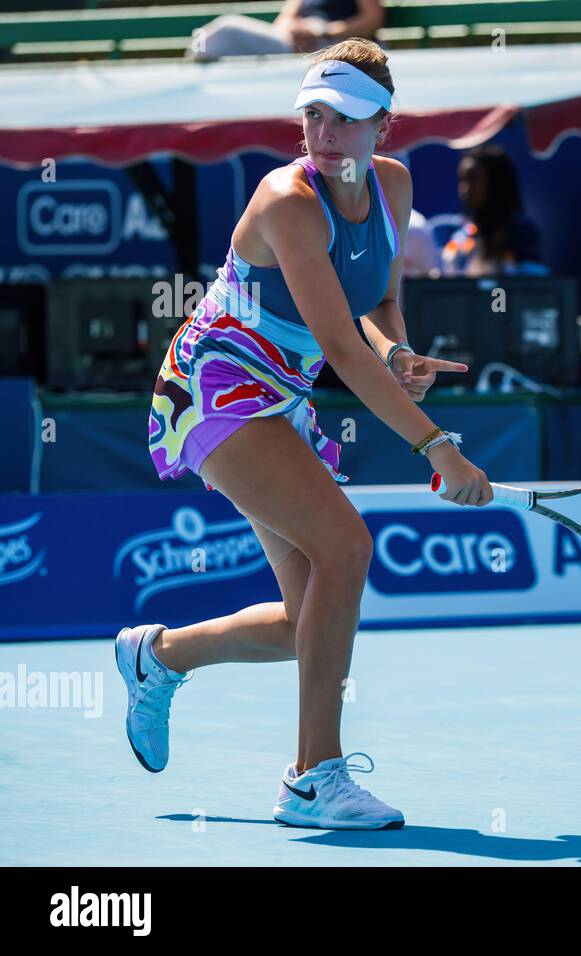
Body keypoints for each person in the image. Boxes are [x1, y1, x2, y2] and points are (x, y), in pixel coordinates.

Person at [127, 38, 492, 831]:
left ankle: (157, 658)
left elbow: (375, 303)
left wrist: (396, 350)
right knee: (346, 549)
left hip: (280, 395)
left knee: (308, 625)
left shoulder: (391, 187)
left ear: (383, 128)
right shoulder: (286, 200)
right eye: (313, 116)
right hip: (215, 386)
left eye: (345, 121)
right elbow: (335, 345)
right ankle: (311, 779)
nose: (325, 136)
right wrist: (437, 446)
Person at [435, 144, 548, 278]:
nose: (464, 189)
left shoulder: (522, 233)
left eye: (473, 179)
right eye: (462, 180)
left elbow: (537, 284)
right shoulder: (452, 231)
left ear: (495, 182)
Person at [188, 0, 385, 63]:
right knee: (219, 33)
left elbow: (372, 18)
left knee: (227, 29)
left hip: (339, 49)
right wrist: (297, 32)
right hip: (294, 48)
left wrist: (323, 32)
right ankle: (190, 83)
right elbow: (283, 21)